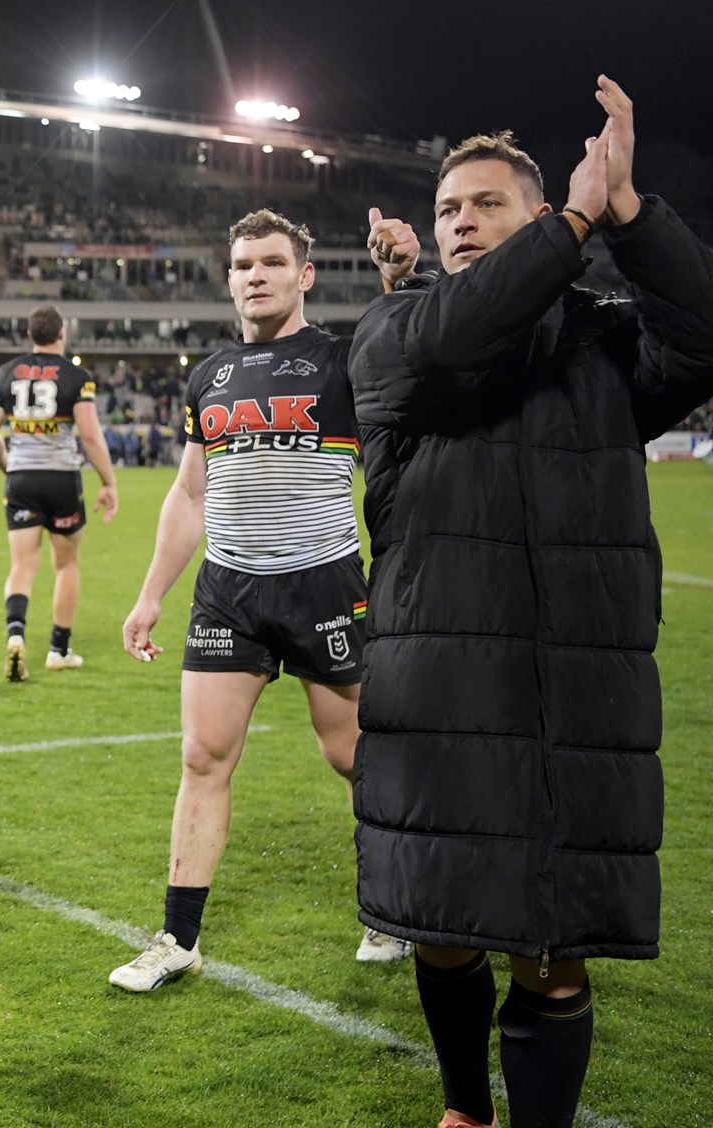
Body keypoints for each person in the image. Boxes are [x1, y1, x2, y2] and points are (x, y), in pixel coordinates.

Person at [349, 77, 713, 1128]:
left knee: (553, 948)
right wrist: (573, 227)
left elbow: (703, 338)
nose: (461, 220)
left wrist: (629, 212)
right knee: (444, 924)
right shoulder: (395, 329)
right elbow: (461, 333)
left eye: (487, 203)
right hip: (441, 688)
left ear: (536, 208)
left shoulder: (602, 341)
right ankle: (466, 1108)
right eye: (447, 208)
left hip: (573, 691)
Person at [109, 207, 419, 993]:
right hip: (228, 593)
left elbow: (415, 353)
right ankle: (178, 939)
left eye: (273, 263)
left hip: (324, 581)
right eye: (244, 265)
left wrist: (397, 282)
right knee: (202, 757)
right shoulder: (208, 376)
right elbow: (190, 494)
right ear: (229, 279)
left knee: (353, 754)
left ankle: (394, 908)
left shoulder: (343, 361)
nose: (257, 276)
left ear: (304, 275)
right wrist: (150, 596)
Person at [0, 304, 118, 682]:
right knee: (66, 565)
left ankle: (15, 636)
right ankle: (58, 650)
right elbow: (90, 435)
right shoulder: (77, 377)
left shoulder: (5, 373)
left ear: (29, 335)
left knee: (22, 566)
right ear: (62, 334)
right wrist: (108, 482)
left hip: (21, 478)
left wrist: (9, 466)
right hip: (61, 479)